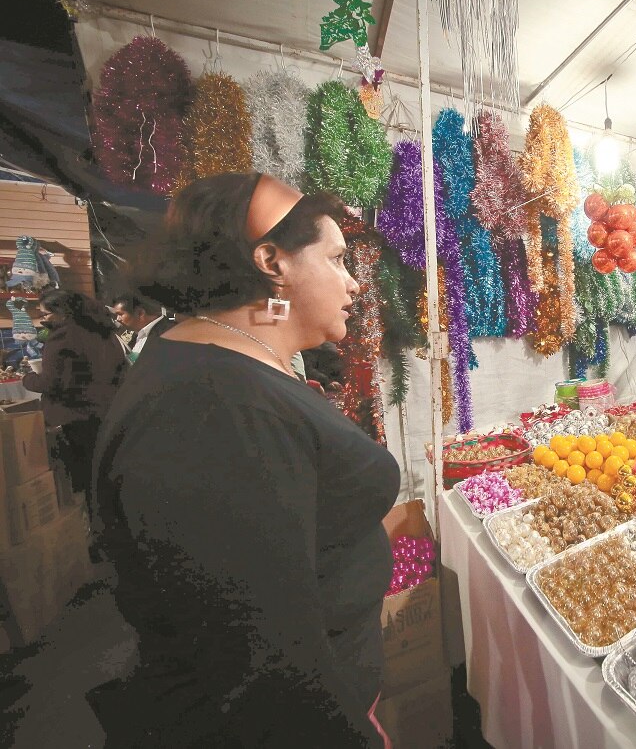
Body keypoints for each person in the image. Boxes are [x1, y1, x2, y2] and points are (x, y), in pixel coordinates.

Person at [88, 173, 398, 747]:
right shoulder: (212, 408)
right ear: (271, 261)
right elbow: (258, 657)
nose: (353, 284)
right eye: (336, 259)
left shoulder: (221, 358)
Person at [22, 289, 127, 516]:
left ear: (61, 312)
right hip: (106, 415)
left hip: (73, 421)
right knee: (103, 482)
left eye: (45, 314)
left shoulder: (63, 337)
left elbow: (50, 383)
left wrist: (28, 379)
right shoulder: (105, 333)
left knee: (81, 487)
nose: (43, 319)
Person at [111, 293, 176, 360]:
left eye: (120, 314)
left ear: (140, 313)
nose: (118, 319)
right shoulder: (134, 337)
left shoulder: (167, 333)